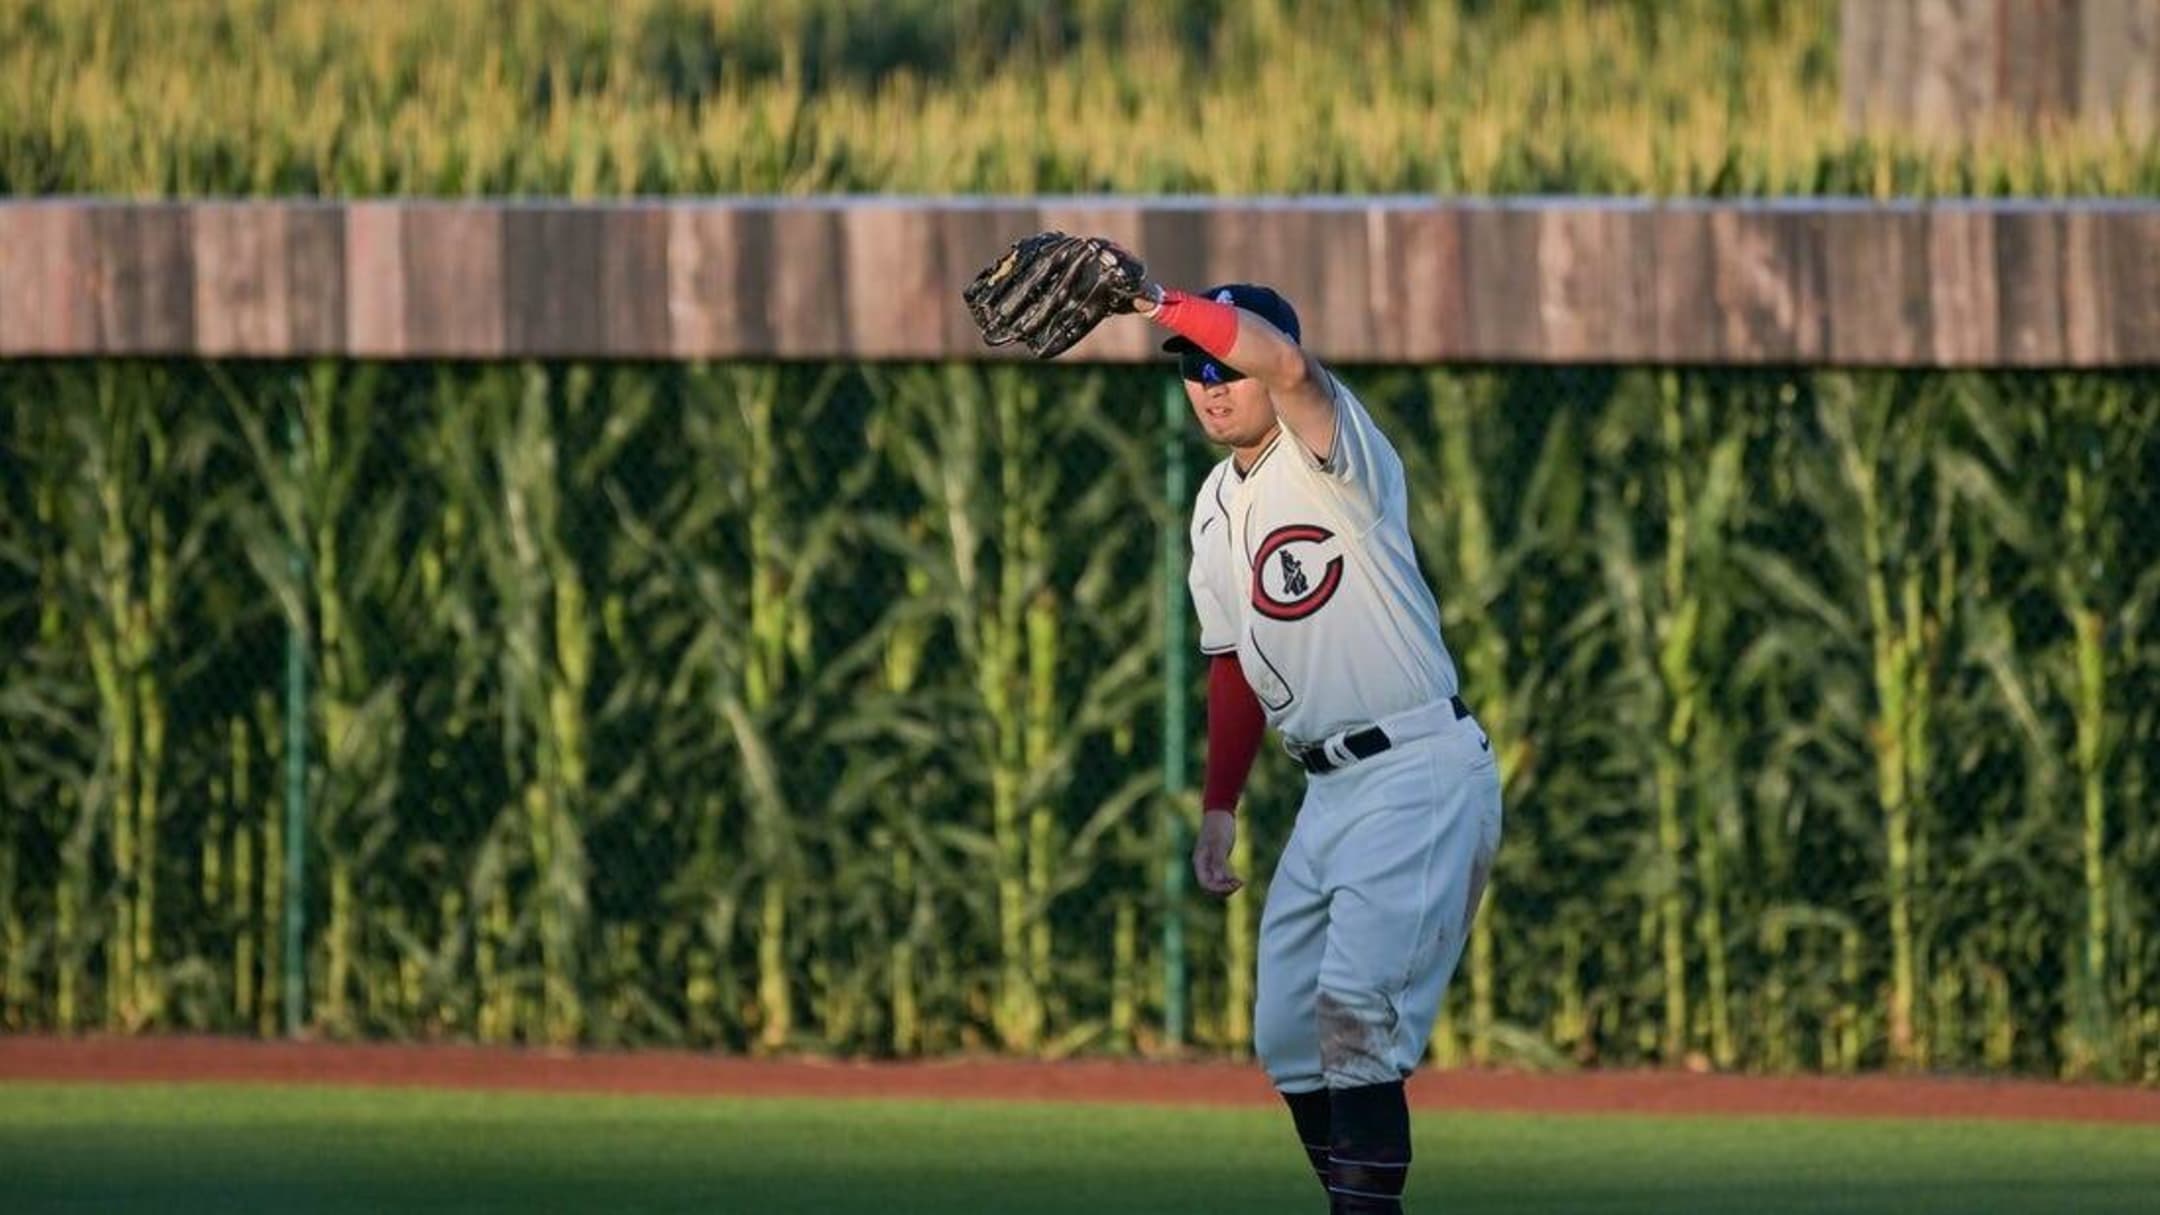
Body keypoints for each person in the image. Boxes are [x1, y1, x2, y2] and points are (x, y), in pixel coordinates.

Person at [1135, 279, 1505, 1214]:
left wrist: (1156, 298)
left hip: (1417, 769)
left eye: (1226, 364)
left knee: (1354, 1014)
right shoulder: (1215, 503)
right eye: (1194, 372)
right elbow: (1231, 666)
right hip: (1328, 791)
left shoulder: (1333, 449)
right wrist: (1220, 805)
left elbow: (1291, 367)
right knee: (1291, 1036)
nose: (1211, 385)